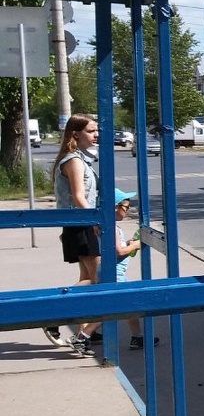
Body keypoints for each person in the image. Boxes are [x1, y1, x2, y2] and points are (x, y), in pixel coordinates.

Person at [45, 114, 102, 348]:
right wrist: (95, 222)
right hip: (81, 224)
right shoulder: (74, 161)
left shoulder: (81, 159)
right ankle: (53, 314)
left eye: (96, 130)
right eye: (91, 130)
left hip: (77, 224)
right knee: (101, 280)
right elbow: (79, 197)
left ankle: (83, 330)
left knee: (87, 279)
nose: (96, 134)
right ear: (75, 133)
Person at [71, 189, 149, 356]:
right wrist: (134, 246)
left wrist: (127, 243)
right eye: (126, 206)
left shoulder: (104, 226)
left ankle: (138, 336)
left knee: (129, 304)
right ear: (115, 207)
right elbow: (118, 253)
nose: (127, 210)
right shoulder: (112, 228)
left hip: (113, 271)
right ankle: (82, 337)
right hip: (114, 273)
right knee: (113, 308)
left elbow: (115, 247)